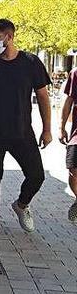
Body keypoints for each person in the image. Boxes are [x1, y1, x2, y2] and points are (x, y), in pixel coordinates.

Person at [0, 18, 52, 243]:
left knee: (36, 175)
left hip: (21, 130)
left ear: (9, 37)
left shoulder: (31, 62)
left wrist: (47, 129)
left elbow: (43, 96)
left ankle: (22, 204)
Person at [59, 66, 77, 222]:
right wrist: (62, 127)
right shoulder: (76, 73)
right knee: (72, 170)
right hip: (76, 134)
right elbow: (68, 101)